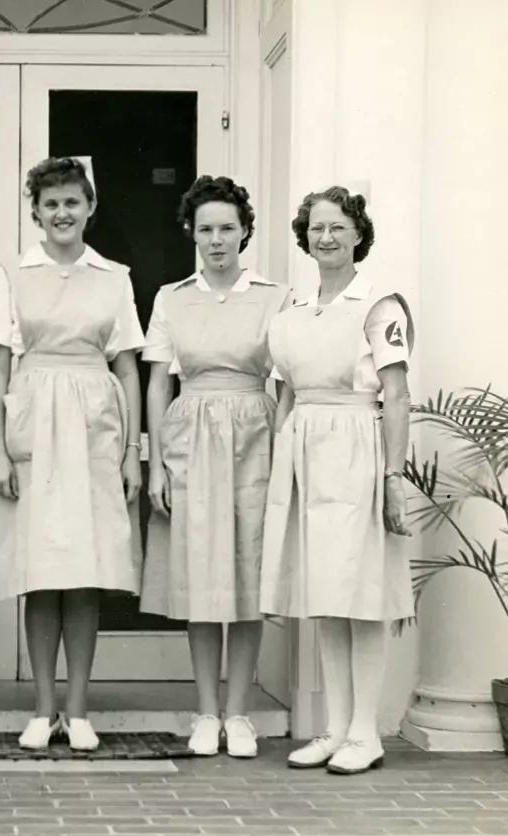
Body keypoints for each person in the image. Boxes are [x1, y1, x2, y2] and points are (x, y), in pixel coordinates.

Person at [0, 156, 144, 751]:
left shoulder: (115, 276)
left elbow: (127, 366)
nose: (61, 213)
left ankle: (78, 711)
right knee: (41, 571)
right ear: (35, 212)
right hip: (33, 419)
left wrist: (132, 451)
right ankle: (41, 707)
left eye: (72, 202)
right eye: (50, 204)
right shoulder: (13, 274)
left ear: (90, 207)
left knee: (85, 572)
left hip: (94, 425)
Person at [260, 186, 414, 774]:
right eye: (317, 228)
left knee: (360, 596)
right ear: (306, 236)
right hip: (304, 452)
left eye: (339, 228)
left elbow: (396, 396)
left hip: (357, 449)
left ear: (358, 235)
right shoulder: (295, 310)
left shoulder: (379, 306)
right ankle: (335, 728)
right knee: (327, 595)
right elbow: (285, 393)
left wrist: (394, 477)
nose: (327, 237)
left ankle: (365, 733)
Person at [140, 176, 289, 759]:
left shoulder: (274, 297)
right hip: (191, 437)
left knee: (247, 574)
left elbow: (288, 379)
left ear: (245, 231)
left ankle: (240, 713)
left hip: (256, 432)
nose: (217, 239)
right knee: (202, 577)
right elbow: (158, 381)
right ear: (191, 234)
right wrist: (155, 463)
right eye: (206, 229)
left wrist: (284, 452)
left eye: (228, 227)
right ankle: (206, 711)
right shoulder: (172, 297)